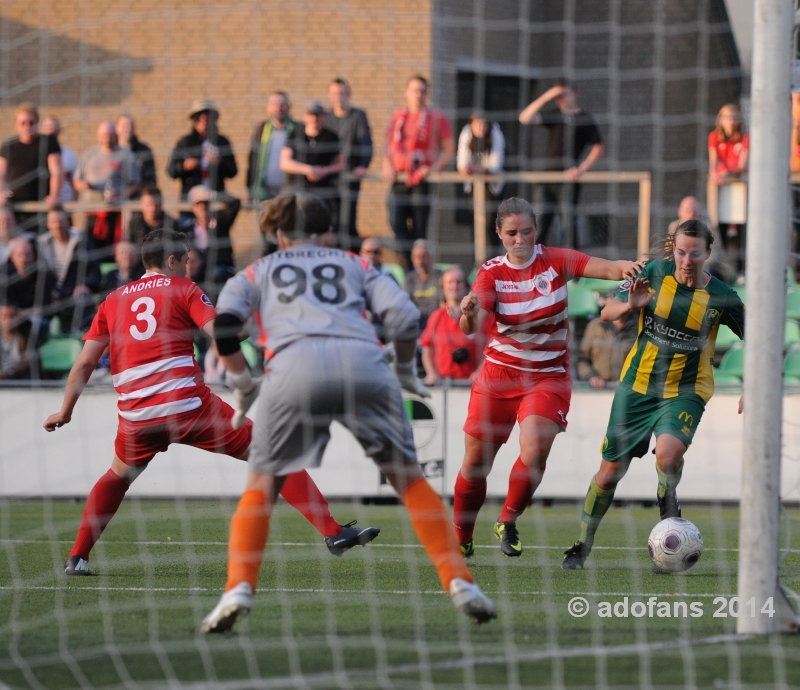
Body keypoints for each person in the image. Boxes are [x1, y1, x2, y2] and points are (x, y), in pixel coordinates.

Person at [201, 192, 496, 633]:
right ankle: (460, 581)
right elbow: (402, 315)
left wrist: (244, 385)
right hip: (364, 365)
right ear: (327, 233)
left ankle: (238, 588)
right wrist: (402, 369)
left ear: (279, 233)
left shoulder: (255, 271)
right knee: (409, 478)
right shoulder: (356, 264)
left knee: (263, 484)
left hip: (293, 368)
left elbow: (224, 328)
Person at [43, 229, 381, 576]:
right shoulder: (183, 288)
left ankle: (77, 557)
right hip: (188, 407)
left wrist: (65, 411)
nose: (189, 267)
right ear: (172, 261)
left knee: (117, 476)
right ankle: (333, 533)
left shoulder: (112, 300)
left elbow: (84, 363)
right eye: (186, 260)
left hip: (137, 416)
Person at [454, 197, 644, 558]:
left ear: (536, 232)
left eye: (527, 231)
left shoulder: (554, 260)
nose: (520, 239)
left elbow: (604, 268)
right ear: (499, 234)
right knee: (475, 465)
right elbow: (471, 326)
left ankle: (507, 520)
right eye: (511, 233)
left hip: (547, 376)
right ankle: (462, 535)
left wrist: (628, 268)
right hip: (499, 375)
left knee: (535, 448)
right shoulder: (491, 273)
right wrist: (468, 312)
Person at [562, 219, 745, 569]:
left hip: (687, 389)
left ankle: (666, 492)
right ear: (673, 250)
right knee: (609, 473)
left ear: (707, 253)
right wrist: (631, 304)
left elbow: (759, 339)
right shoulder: (652, 272)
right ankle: (582, 545)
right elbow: (606, 311)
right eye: (680, 252)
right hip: (638, 386)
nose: (686, 260)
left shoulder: (723, 297)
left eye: (694, 253)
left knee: (668, 455)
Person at [518, 80, 604, 248]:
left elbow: (599, 147)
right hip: (548, 178)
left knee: (567, 226)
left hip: (568, 180)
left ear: (575, 94)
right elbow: (524, 118)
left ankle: (573, 271)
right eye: (559, 96)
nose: (561, 99)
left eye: (565, 95)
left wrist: (581, 168)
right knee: (538, 223)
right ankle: (532, 268)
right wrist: (548, 96)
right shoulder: (555, 115)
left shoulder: (584, 118)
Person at [383, 75, 455, 262]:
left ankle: (419, 270)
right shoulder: (399, 116)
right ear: (407, 93)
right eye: (415, 90)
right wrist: (386, 164)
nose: (419, 95)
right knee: (396, 223)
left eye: (423, 91)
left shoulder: (436, 117)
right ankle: (411, 267)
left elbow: (448, 148)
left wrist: (431, 169)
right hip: (399, 179)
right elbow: (387, 143)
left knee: (419, 228)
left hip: (421, 181)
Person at [73, 120, 141, 257]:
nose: (107, 139)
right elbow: (76, 181)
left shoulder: (126, 156)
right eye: (104, 135)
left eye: (110, 135)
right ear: (98, 136)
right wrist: (85, 186)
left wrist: (120, 196)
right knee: (90, 249)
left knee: (112, 252)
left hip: (114, 212)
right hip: (91, 213)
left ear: (116, 135)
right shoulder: (89, 154)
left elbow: (135, 184)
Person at [280, 100, 344, 237]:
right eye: (311, 115)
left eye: (318, 115)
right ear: (305, 117)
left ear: (324, 117)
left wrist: (324, 171)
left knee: (331, 219)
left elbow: (341, 164)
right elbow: (285, 162)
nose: (314, 119)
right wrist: (308, 170)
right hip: (297, 186)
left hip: (323, 188)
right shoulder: (295, 134)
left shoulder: (331, 137)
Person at [325, 78, 373, 249]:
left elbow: (366, 143)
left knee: (347, 223)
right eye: (335, 94)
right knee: (332, 222)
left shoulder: (357, 116)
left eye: (343, 93)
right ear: (330, 96)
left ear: (349, 94)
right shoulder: (326, 118)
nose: (339, 97)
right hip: (329, 179)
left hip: (349, 177)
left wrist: (362, 165)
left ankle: (350, 259)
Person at [421, 266, 490, 385]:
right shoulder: (436, 317)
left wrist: (480, 371)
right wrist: (431, 373)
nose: (454, 286)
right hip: (443, 385)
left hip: (473, 384)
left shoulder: (479, 316)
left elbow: (491, 348)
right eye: (450, 282)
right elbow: (427, 349)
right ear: (443, 287)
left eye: (459, 282)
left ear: (466, 286)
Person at [0, 103, 62, 233]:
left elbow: (56, 171)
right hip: (15, 207)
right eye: (23, 123)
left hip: (41, 206)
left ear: (37, 123)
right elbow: (1, 173)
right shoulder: (9, 146)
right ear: (17, 125)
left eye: (31, 122)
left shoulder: (48, 142)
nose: (27, 126)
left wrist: (54, 196)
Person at [38, 208, 100, 333]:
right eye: (54, 221)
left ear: (68, 221)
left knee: (83, 298)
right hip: (51, 294)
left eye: (61, 221)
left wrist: (85, 285)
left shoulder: (81, 241)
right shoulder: (41, 244)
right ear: (48, 224)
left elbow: (95, 271)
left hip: (73, 292)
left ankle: (81, 335)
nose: (58, 225)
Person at [456, 110, 505, 256]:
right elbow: (462, 164)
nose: (481, 127)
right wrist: (473, 169)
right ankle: (478, 262)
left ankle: (493, 260)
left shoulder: (495, 133)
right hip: (473, 186)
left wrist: (477, 168)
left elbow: (496, 165)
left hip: (492, 186)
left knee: (491, 225)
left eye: (484, 124)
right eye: (478, 124)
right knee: (476, 224)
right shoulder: (466, 133)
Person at [708, 104, 749, 272]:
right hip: (721, 189)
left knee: (740, 228)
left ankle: (741, 269)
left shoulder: (745, 137)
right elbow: (713, 164)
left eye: (734, 117)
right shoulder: (714, 137)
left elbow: (742, 166)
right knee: (721, 227)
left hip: (740, 187)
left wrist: (727, 173)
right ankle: (726, 267)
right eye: (727, 117)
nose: (731, 121)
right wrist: (716, 174)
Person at [167, 100, 237, 199]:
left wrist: (220, 162)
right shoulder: (185, 143)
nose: (204, 122)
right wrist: (184, 166)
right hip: (191, 199)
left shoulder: (222, 142)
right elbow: (171, 171)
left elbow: (233, 171)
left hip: (215, 197)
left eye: (208, 119)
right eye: (201, 118)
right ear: (195, 121)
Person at [178, 185, 240, 287]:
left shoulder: (221, 221)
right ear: (193, 207)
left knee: (215, 276)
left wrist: (214, 195)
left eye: (206, 202)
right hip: (198, 272)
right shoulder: (186, 229)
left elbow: (235, 203)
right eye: (198, 203)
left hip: (221, 268)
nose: (203, 207)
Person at [575, 290, 638, 388]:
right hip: (597, 390)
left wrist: (630, 379)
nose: (618, 305)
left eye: (623, 300)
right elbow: (581, 358)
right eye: (614, 301)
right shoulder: (595, 326)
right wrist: (591, 376)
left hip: (628, 391)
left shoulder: (639, 327)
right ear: (606, 302)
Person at [247, 92, 295, 204]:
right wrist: (250, 191)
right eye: (274, 104)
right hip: (264, 191)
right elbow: (252, 160)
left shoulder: (297, 129)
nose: (278, 108)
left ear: (289, 107)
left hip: (288, 191)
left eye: (282, 104)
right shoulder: (261, 129)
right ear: (268, 108)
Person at [404, 239, 441, 331]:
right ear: (413, 259)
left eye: (424, 256)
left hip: (436, 321)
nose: (420, 261)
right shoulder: (410, 278)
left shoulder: (441, 277)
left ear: (432, 258)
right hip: (415, 321)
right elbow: (405, 302)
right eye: (417, 257)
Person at [40, 117, 78, 204]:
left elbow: (75, 182)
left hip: (63, 205)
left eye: (54, 127)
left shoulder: (70, 154)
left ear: (59, 130)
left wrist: (73, 204)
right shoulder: (36, 153)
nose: (50, 131)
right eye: (47, 127)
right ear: (41, 130)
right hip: (40, 204)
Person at [0, 300, 39, 380]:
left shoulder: (23, 338)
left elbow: (27, 362)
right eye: (4, 317)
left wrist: (12, 372)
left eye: (12, 317)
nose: (9, 321)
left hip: (19, 375)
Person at [116, 115, 157, 189]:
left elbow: (151, 178)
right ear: (117, 128)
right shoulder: (111, 150)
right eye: (124, 126)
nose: (126, 129)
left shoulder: (144, 150)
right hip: (114, 196)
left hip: (137, 197)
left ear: (134, 129)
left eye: (130, 126)